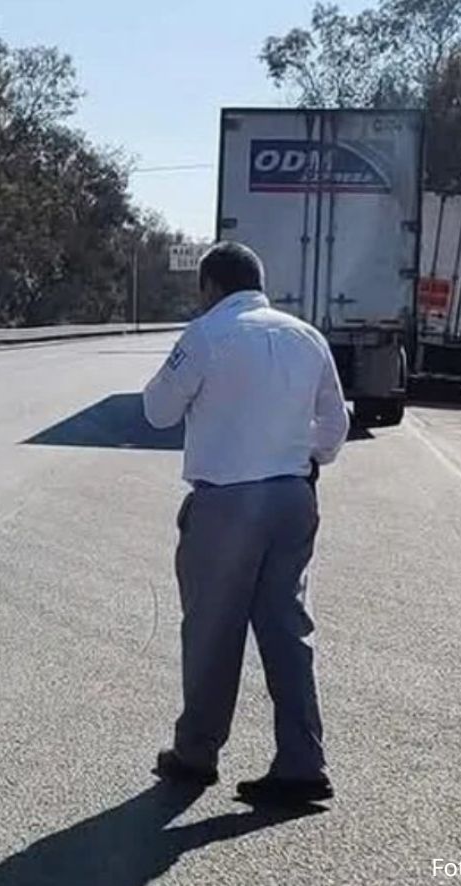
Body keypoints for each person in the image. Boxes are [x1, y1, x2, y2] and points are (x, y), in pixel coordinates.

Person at [142, 241, 348, 806]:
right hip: (291, 497)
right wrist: (310, 459)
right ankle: (303, 763)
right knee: (288, 632)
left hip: (227, 504)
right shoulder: (306, 337)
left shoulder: (206, 334)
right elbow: (336, 420)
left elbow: (156, 411)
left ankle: (197, 753)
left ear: (210, 287)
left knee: (212, 630)